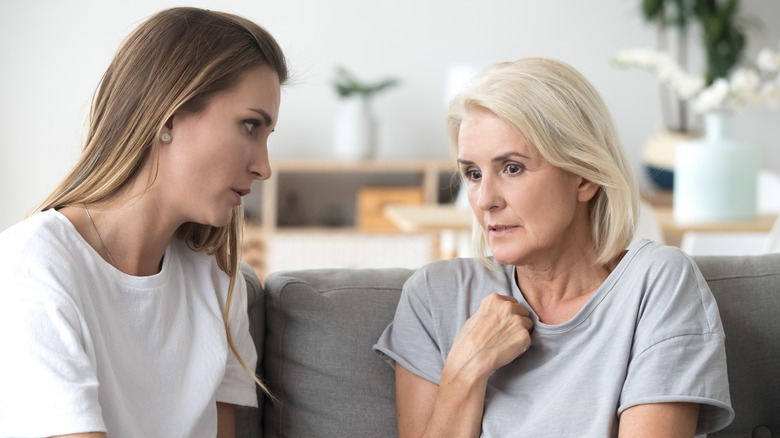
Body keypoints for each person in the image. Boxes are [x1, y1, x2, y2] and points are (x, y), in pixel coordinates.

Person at [374, 58, 733, 437]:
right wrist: (465, 372)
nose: (484, 200)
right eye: (474, 174)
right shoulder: (434, 297)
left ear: (584, 177)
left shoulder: (656, 284)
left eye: (512, 168)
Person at [0, 7, 287, 437]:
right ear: (168, 115)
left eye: (266, 136)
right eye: (249, 126)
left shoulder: (216, 286)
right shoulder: (33, 267)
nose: (264, 167)